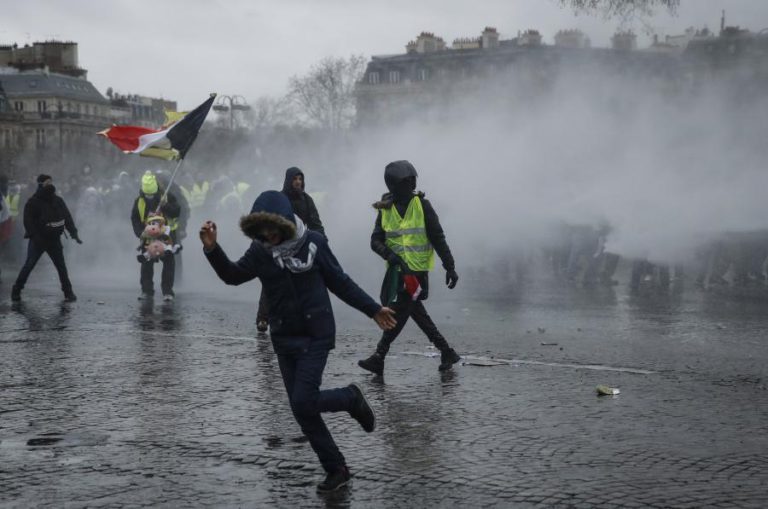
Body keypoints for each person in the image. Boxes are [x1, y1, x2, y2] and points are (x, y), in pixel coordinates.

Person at [200, 190, 396, 492]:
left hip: (316, 334)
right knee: (301, 409)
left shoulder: (314, 243)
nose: (268, 235)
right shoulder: (260, 251)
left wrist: (372, 309)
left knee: (303, 400)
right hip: (284, 337)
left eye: (273, 227)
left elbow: (340, 281)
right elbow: (233, 275)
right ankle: (337, 469)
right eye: (261, 230)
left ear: (287, 222)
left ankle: (350, 397)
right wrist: (213, 249)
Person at [358, 160, 461, 375]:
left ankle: (379, 355)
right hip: (397, 272)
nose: (412, 184)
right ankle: (446, 351)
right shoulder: (385, 209)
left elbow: (438, 237)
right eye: (407, 181)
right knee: (412, 311)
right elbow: (374, 241)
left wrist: (449, 266)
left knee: (398, 311)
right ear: (394, 185)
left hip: (416, 272)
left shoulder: (423, 206)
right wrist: (390, 256)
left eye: (413, 180)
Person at [255, 167, 326, 332]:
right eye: (295, 179)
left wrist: (322, 241)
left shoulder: (307, 200)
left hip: (300, 246)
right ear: (288, 180)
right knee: (272, 280)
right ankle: (263, 318)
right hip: (279, 245)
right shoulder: (279, 199)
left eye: (300, 179)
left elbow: (316, 224)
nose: (298, 182)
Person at [11, 174, 81, 302]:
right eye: (47, 182)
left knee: (61, 267)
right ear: (40, 184)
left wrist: (74, 233)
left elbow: (67, 217)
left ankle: (68, 292)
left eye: (51, 182)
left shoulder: (58, 200)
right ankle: (16, 290)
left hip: (54, 239)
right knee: (29, 265)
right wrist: (35, 236)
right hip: (39, 240)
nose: (50, 185)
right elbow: (28, 221)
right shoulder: (33, 202)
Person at [131, 171, 181, 301]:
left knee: (169, 263)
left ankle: (167, 291)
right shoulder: (139, 202)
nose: (149, 197)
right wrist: (140, 233)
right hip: (148, 236)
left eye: (151, 195)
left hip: (167, 235)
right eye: (147, 195)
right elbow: (135, 219)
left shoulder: (167, 196)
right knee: (146, 263)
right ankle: (147, 291)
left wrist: (166, 206)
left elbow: (177, 212)